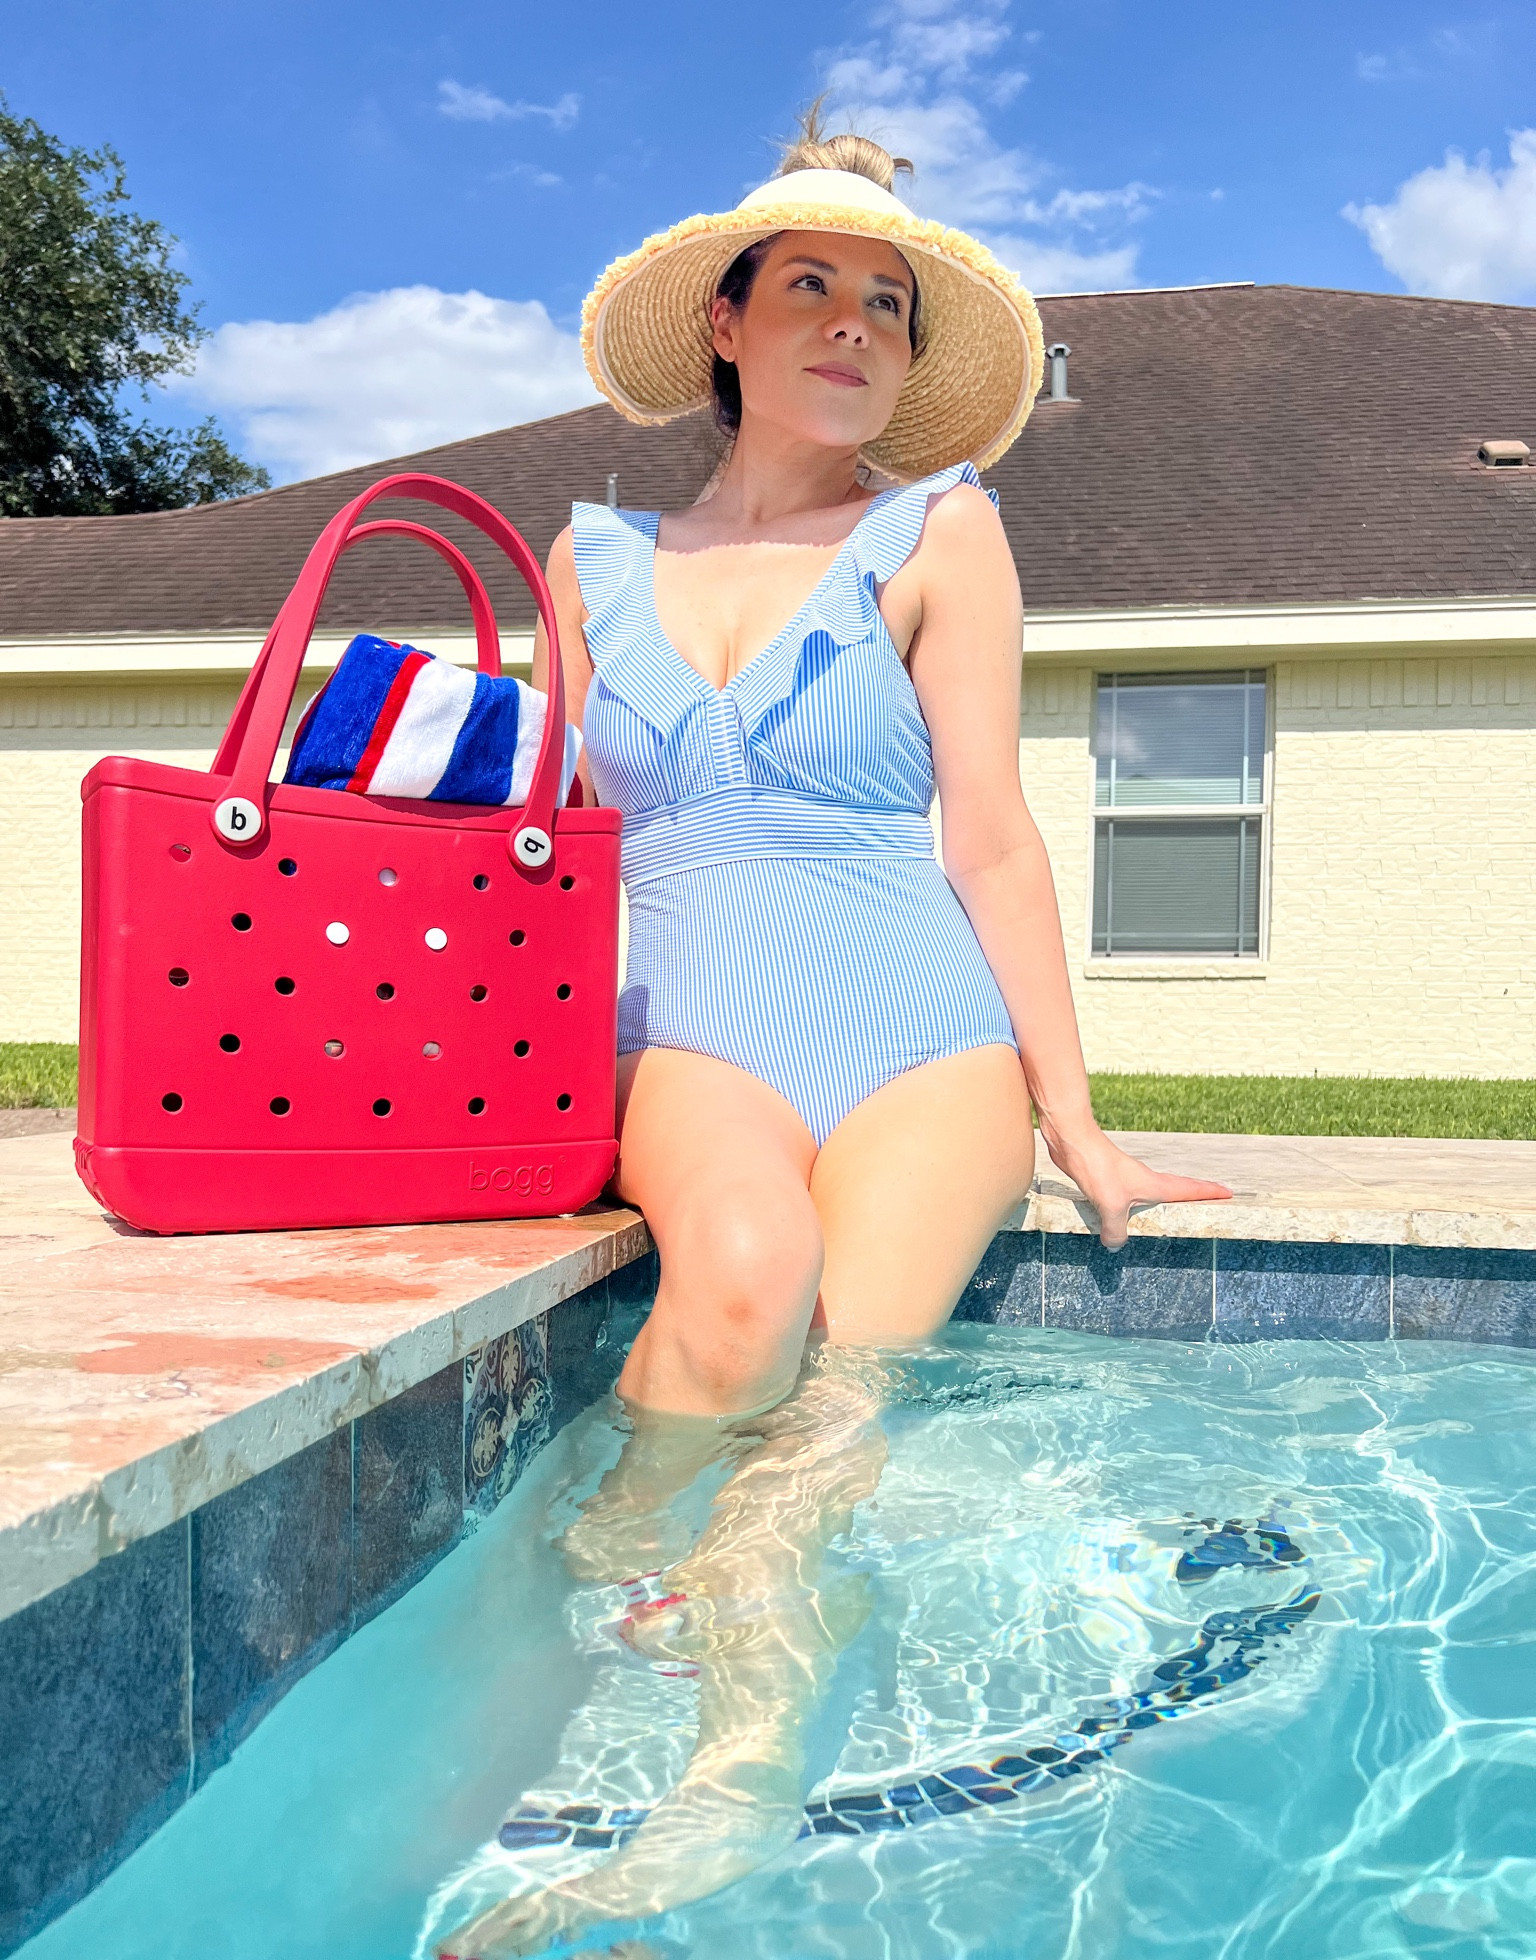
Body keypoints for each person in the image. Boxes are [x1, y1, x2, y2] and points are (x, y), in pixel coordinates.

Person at [436, 113, 1231, 1959]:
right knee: (735, 1281)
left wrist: (1080, 1123)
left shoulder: (941, 530)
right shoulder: (587, 567)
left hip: (921, 1032)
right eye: (813, 286)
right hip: (695, 1024)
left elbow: (992, 835)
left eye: (888, 301)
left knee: (828, 1426)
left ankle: (723, 1800)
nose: (858, 325)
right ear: (724, 325)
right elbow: (522, 836)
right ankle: (586, 1603)